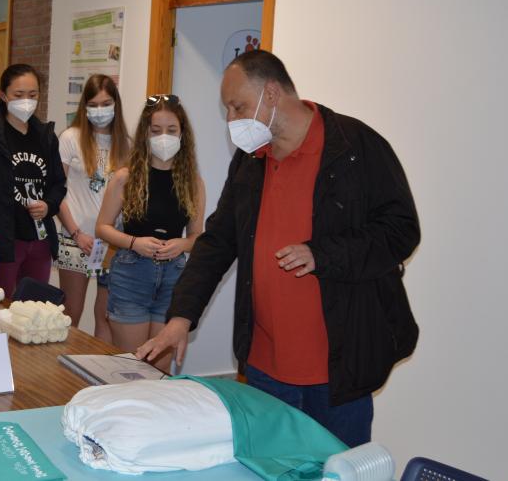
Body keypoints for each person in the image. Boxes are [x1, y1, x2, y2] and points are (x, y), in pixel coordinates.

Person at [136, 50, 420, 447]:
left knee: (338, 470)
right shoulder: (251, 160)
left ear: (272, 93)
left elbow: (401, 231)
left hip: (338, 371)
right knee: (270, 470)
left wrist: (323, 253)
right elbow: (218, 241)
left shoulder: (355, 146)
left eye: (238, 106)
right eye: (228, 110)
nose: (232, 120)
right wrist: (181, 316)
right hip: (265, 368)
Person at [95, 95, 205, 370]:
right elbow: (102, 227)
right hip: (131, 274)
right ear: (145, 133)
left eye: (171, 131)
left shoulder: (193, 183)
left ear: (183, 134)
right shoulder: (125, 177)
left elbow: (196, 238)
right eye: (156, 131)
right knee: (131, 368)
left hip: (174, 278)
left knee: (159, 371)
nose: (164, 137)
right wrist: (134, 242)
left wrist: (181, 244)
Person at [0, 64, 67, 299]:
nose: (26, 101)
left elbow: (58, 184)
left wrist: (48, 205)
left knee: (34, 310)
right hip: (0, 241)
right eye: (18, 95)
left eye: (32, 95)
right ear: (3, 95)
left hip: (39, 240)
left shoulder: (46, 137)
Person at [57, 74, 131, 343]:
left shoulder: (127, 145)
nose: (100, 110)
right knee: (71, 314)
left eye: (107, 103)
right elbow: (56, 193)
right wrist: (77, 233)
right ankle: (60, 378)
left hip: (111, 244)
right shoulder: (70, 138)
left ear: (116, 104)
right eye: (94, 104)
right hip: (76, 238)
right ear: (85, 106)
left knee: (106, 316)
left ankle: (98, 376)